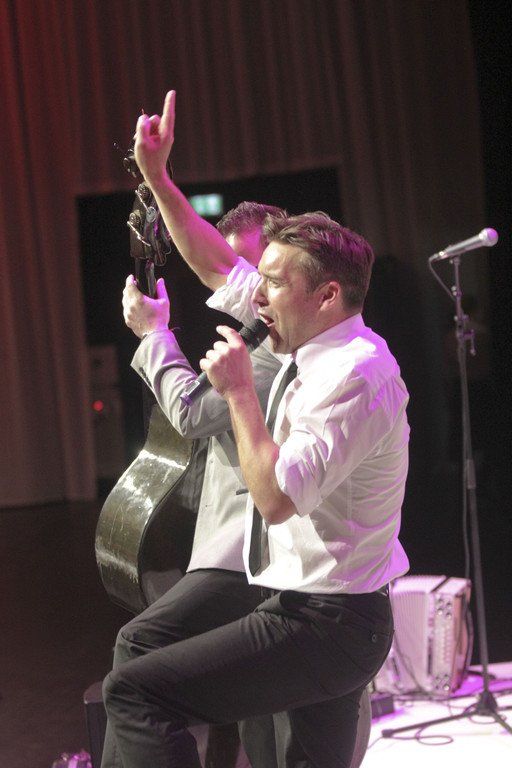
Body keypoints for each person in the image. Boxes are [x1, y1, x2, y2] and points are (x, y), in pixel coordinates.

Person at [101, 201, 286, 768]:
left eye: (249, 268)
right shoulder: (251, 343)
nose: (240, 285)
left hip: (251, 558)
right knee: (232, 705)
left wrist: (154, 334)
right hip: (229, 551)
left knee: (138, 649)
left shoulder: (276, 348)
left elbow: (190, 411)